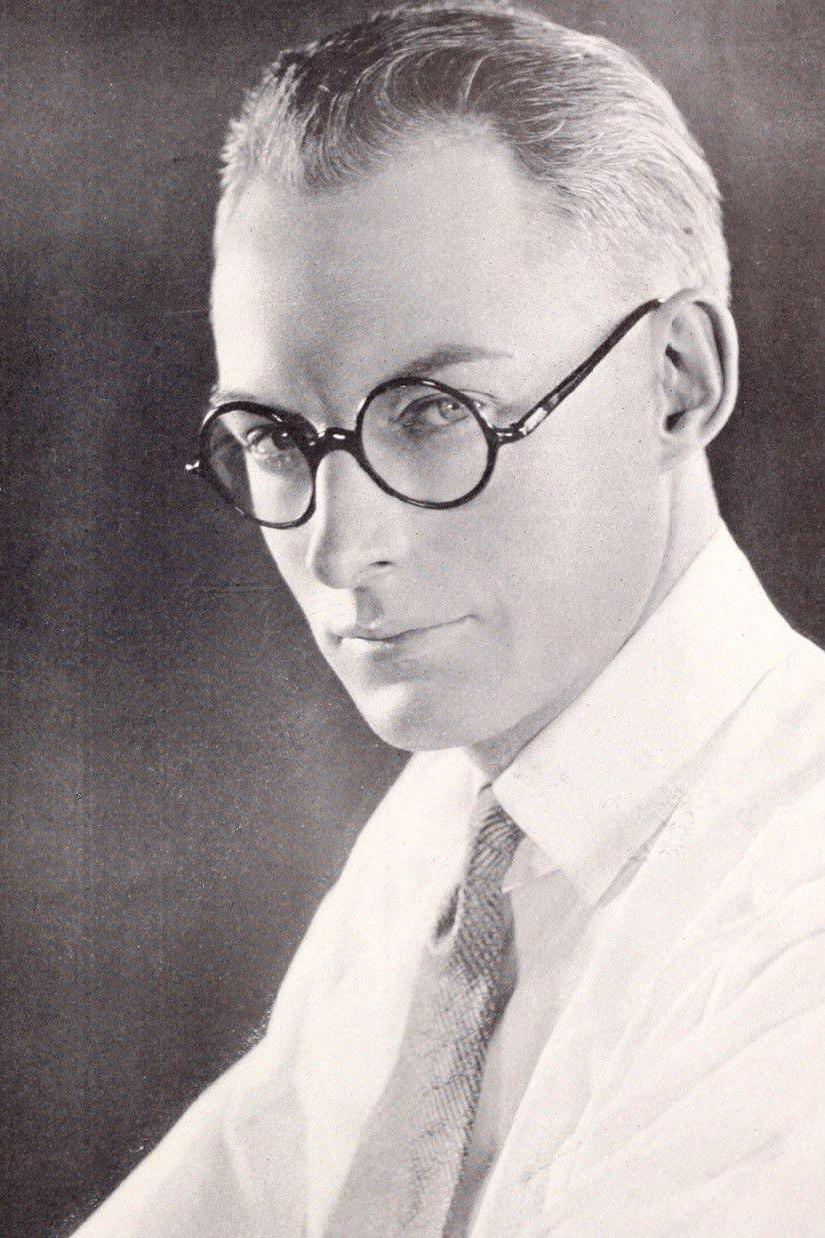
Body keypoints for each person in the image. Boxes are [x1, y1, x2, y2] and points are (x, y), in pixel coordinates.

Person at [75, 3, 825, 1234]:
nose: (337, 546)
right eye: (274, 436)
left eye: (433, 412)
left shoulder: (798, 917)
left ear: (677, 380)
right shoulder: (451, 837)